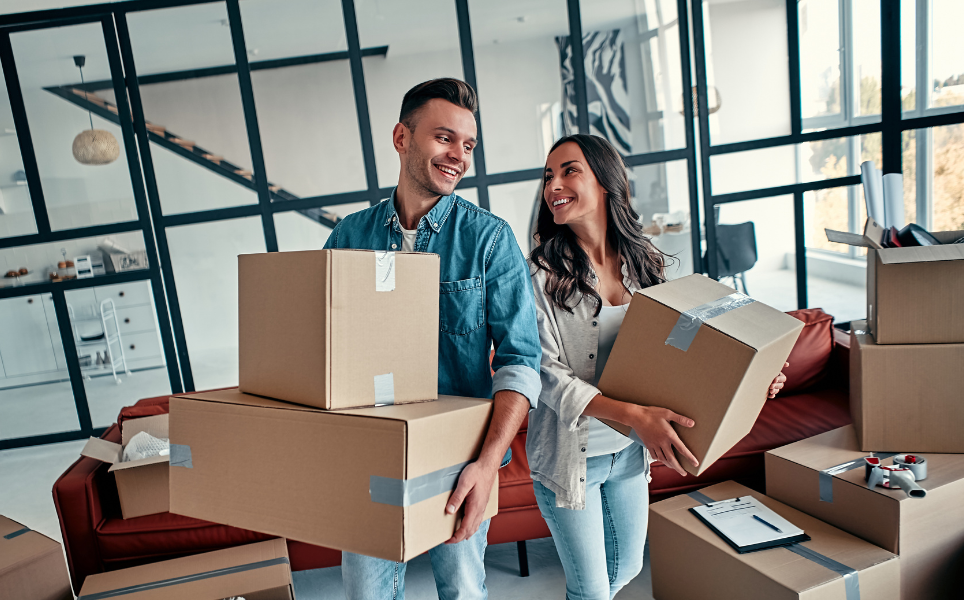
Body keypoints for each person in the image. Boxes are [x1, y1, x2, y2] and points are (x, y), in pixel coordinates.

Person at [527, 134, 787, 600]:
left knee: (625, 567)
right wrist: (637, 418)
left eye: (569, 171)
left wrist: (750, 377)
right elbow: (547, 377)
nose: (553, 185)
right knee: (590, 591)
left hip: (628, 453)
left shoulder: (642, 263)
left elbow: (684, 351)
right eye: (549, 175)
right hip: (570, 458)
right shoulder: (541, 276)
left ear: (606, 183)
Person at [323, 78, 542, 600]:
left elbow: (521, 362)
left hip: (458, 460)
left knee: (463, 590)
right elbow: (323, 351)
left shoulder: (490, 239)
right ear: (401, 137)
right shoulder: (348, 238)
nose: (458, 156)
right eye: (445, 138)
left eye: (468, 145)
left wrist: (487, 466)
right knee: (365, 595)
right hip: (369, 457)